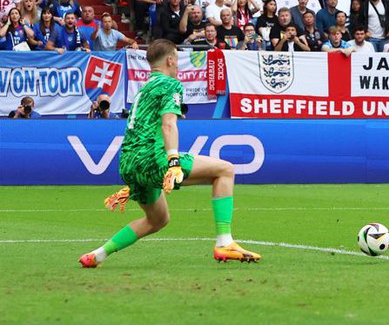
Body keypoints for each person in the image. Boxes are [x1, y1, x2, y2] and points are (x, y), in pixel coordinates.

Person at [79, 39, 261, 267]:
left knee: (158, 220)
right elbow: (168, 124)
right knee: (225, 170)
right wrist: (173, 160)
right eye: (177, 60)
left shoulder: (145, 89)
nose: (178, 66)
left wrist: (136, 178)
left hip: (128, 163)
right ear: (170, 60)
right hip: (153, 159)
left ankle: (97, 255)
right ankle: (224, 242)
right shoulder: (170, 84)